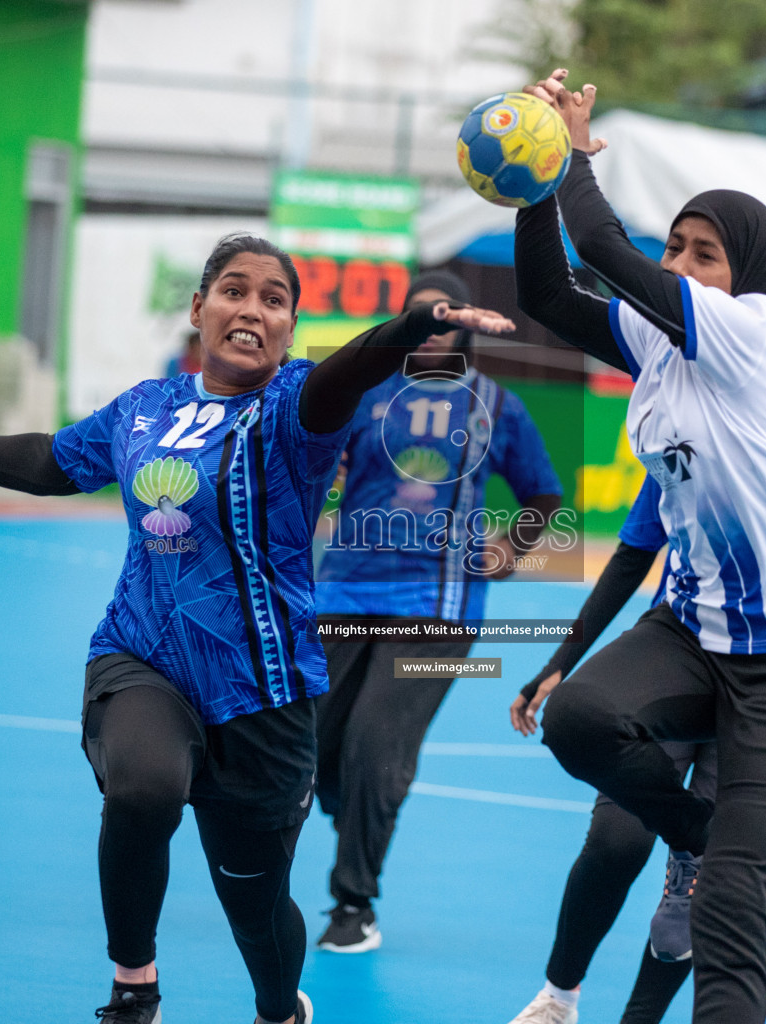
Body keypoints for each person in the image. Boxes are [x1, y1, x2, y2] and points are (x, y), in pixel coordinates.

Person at [0, 233, 516, 1024]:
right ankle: (133, 989)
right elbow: (51, 461)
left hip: (262, 689)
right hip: (143, 654)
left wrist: (410, 328)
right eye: (234, 290)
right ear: (199, 307)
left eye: (273, 299)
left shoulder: (295, 408)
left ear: (287, 326)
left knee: (254, 903)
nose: (251, 309)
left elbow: (349, 369)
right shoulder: (146, 406)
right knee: (143, 789)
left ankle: (281, 1009)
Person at [513, 70, 766, 1023]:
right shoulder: (661, 344)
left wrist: (573, 151)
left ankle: (716, 869)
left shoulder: (757, 330)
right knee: (580, 720)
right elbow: (549, 287)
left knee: (730, 915)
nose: (679, 263)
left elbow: (595, 242)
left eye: (702, 253)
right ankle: (698, 835)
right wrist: (527, 181)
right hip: (695, 627)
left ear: (744, 273)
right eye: (672, 246)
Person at [504, 419, 766, 1024]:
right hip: (681, 657)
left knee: (705, 895)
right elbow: (635, 553)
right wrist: (562, 661)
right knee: (616, 841)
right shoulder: (681, 447)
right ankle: (558, 998)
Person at [311, 270, 564, 952]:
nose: (434, 330)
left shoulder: (496, 407)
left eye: (447, 319)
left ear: (470, 329)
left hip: (437, 604)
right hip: (342, 594)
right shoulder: (359, 397)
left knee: (374, 745)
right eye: (422, 318)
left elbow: (542, 496)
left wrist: (512, 548)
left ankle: (353, 903)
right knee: (312, 751)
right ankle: (357, 809)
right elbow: (313, 474)